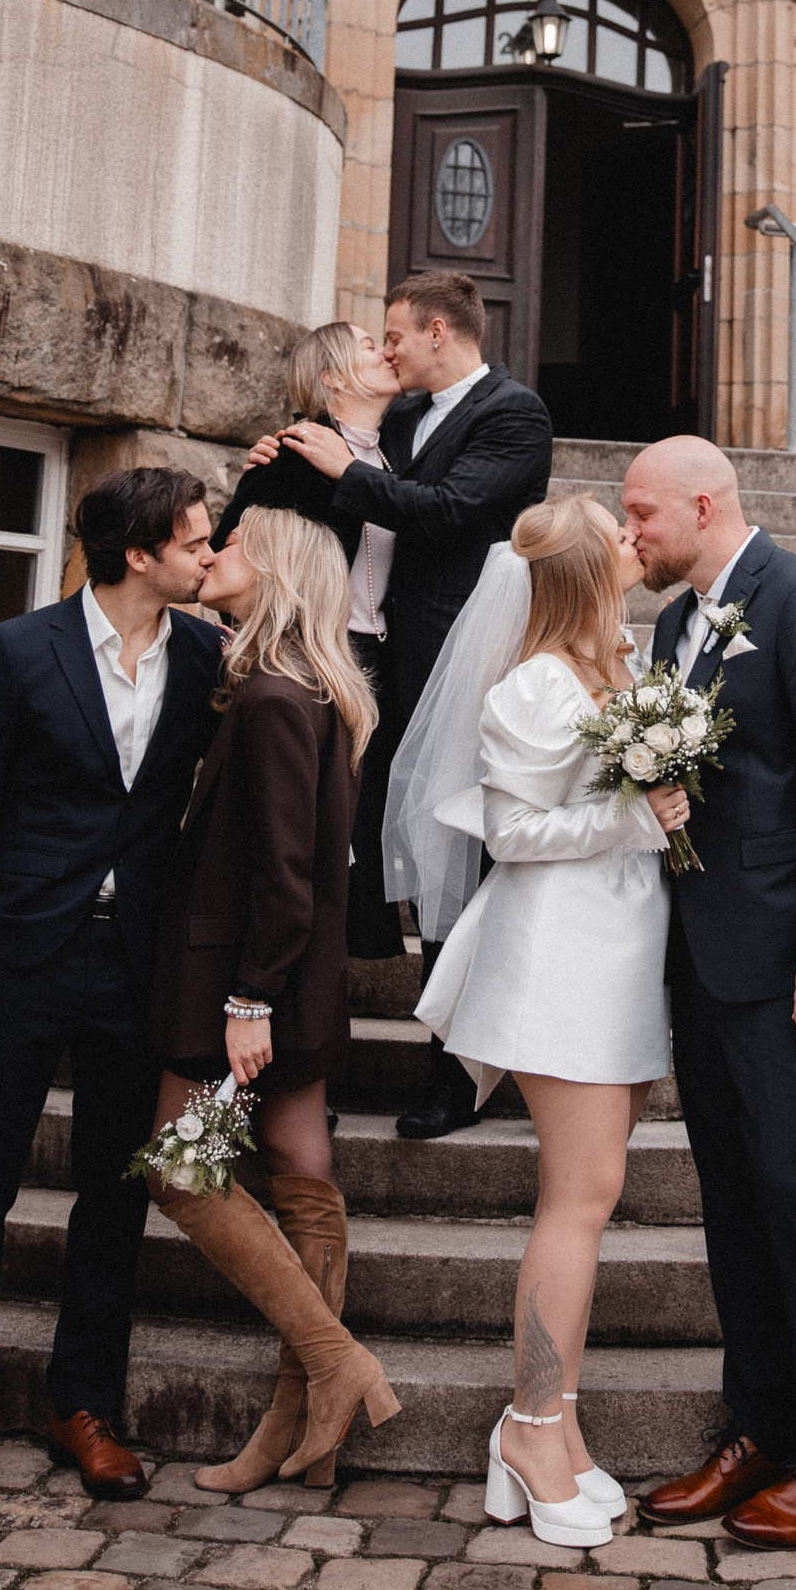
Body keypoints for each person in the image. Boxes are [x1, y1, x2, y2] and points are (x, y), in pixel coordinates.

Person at [0, 468, 222, 1524]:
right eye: (194, 541)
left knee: (112, 1193)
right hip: (19, 956)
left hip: (135, 961)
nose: (208, 555)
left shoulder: (208, 658)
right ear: (139, 554)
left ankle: (83, 1407)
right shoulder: (18, 650)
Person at [625, 436, 796, 1552]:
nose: (631, 533)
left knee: (793, 1194)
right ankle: (758, 1429)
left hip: (792, 958)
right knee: (730, 1199)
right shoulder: (673, 626)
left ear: (703, 504)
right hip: (700, 952)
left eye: (642, 514)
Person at [412, 494, 691, 1547]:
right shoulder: (534, 685)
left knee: (593, 1195)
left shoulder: (622, 663)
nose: (635, 538)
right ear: (584, 569)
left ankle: (556, 1429)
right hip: (558, 960)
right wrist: (631, 814)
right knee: (578, 1198)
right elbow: (511, 832)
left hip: (621, 951)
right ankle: (531, 1429)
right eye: (618, 533)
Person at [144, 504, 401, 1487]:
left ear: (279, 572)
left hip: (243, 981)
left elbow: (284, 871)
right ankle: (303, 1428)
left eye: (235, 544)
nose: (214, 553)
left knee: (180, 1175)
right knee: (299, 1165)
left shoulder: (271, 700)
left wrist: (247, 999)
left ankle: (335, 1364)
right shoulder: (305, 688)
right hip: (290, 977)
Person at [267, 272, 552, 1140]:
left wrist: (346, 469)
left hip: (467, 666)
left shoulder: (515, 413)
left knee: (455, 864)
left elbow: (449, 512)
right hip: (377, 667)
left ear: (437, 332)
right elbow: (344, 460)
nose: (386, 353)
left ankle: (456, 1076)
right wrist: (282, 461)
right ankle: (304, 1059)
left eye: (394, 337)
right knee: (357, 850)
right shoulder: (401, 417)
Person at [214, 320, 407, 959]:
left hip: (384, 651)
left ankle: (355, 945)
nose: (386, 352)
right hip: (316, 655)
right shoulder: (291, 454)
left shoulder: (397, 450)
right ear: (331, 376)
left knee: (370, 806)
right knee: (318, 810)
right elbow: (232, 549)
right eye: (369, 346)